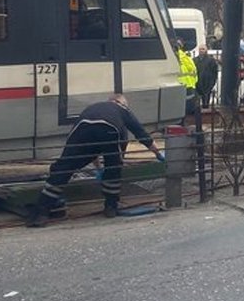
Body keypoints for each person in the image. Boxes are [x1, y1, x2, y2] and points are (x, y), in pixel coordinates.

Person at [27, 94, 164, 226]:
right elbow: (141, 133)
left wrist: (98, 168)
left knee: (64, 167)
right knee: (113, 169)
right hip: (109, 130)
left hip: (82, 130)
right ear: (120, 102)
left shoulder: (94, 108)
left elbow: (92, 147)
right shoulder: (122, 109)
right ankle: (111, 207)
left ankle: (41, 213)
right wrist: (158, 154)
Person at [176, 38, 199, 123]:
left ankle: (181, 122)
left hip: (185, 85)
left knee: (184, 107)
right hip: (188, 85)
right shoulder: (184, 56)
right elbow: (192, 70)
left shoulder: (182, 56)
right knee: (186, 107)